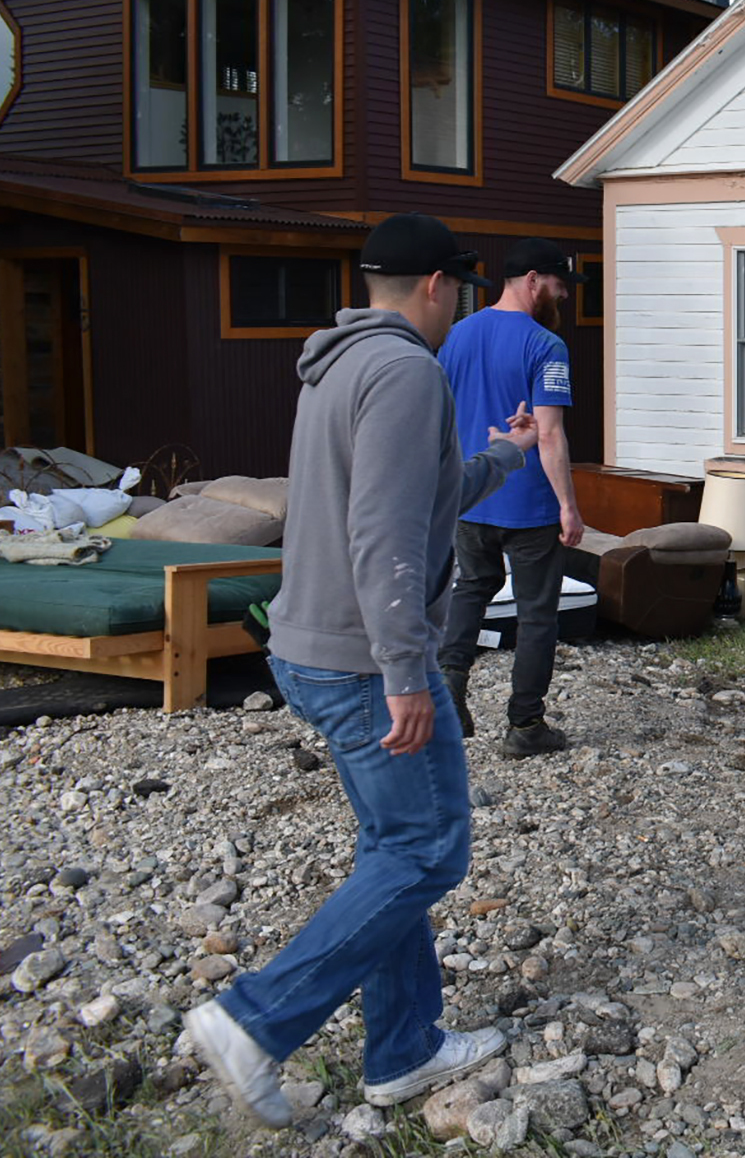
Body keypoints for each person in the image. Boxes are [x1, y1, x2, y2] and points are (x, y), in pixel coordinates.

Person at [184, 212, 538, 1127]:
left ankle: (405, 1047)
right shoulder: (405, 371)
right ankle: (253, 1019)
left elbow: (415, 498)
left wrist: (504, 450)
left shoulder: (339, 363)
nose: (457, 301)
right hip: (359, 660)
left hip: (311, 646)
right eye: (456, 286)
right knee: (428, 849)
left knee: (394, 849)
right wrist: (407, 672)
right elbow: (382, 536)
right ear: (433, 286)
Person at [436, 238, 588, 758]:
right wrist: (568, 504)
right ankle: (525, 726)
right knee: (537, 614)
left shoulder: (455, 334)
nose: (563, 296)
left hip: (469, 491)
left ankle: (449, 693)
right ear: (532, 281)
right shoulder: (547, 346)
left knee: (470, 589)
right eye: (559, 285)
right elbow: (548, 434)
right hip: (528, 503)